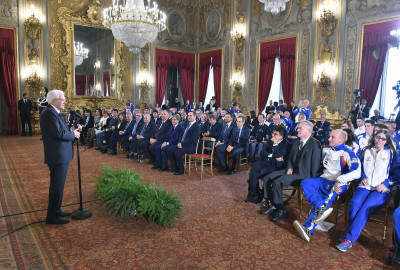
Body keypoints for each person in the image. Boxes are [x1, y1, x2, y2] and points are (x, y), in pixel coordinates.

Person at [336, 129, 399, 252]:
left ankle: (349, 239)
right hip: (365, 186)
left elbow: (397, 174)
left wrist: (385, 184)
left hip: (381, 189)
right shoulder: (365, 150)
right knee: (354, 204)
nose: (379, 140)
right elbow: (358, 168)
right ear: (374, 137)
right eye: (377, 137)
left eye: (383, 139)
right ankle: (351, 232)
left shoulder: (391, 153)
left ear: (387, 141)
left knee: (366, 207)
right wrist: (362, 177)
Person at [293, 129, 361, 242]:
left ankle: (308, 229)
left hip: (338, 183)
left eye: (332, 137)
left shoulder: (348, 153)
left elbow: (357, 171)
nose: (329, 139)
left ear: (341, 140)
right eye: (329, 136)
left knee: (325, 201)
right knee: (306, 182)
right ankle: (320, 206)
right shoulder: (326, 149)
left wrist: (340, 179)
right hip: (323, 179)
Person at [260, 121, 322, 222]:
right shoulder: (297, 142)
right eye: (298, 128)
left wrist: (312, 183)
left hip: (303, 175)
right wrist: (289, 168)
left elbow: (315, 166)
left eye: (300, 128)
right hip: (291, 170)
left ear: (308, 130)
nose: (297, 130)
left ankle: (281, 209)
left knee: (277, 182)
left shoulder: (315, 144)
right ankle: (273, 204)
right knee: (267, 178)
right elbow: (290, 160)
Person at [40, 89, 80, 224]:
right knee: (57, 185)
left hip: (60, 154)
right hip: (57, 156)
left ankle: (56, 210)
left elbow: (62, 130)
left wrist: (71, 131)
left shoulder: (54, 112)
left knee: (58, 185)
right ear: (54, 100)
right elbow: (59, 133)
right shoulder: (48, 113)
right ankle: (52, 216)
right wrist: (73, 135)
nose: (65, 102)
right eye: (62, 99)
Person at [245, 125, 291, 204]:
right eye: (273, 133)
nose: (273, 135)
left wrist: (275, 145)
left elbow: (279, 155)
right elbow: (262, 153)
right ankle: (255, 193)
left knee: (254, 173)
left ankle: (254, 194)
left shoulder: (287, 145)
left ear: (281, 136)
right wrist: (272, 155)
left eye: (275, 134)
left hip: (276, 167)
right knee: (254, 168)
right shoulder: (270, 141)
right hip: (266, 163)